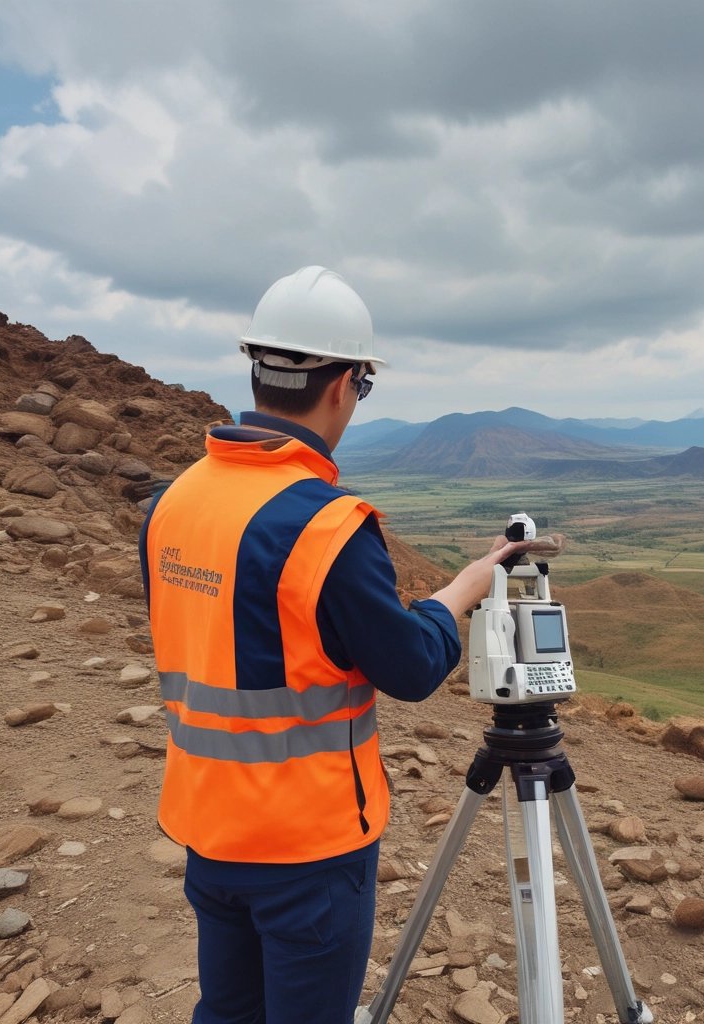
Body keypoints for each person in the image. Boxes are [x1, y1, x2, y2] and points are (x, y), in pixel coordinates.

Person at [138, 266, 529, 1024]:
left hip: (206, 828)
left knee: (227, 1012)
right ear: (345, 383)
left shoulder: (170, 503)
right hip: (306, 848)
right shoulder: (327, 526)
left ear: (258, 367)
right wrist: (466, 588)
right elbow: (411, 667)